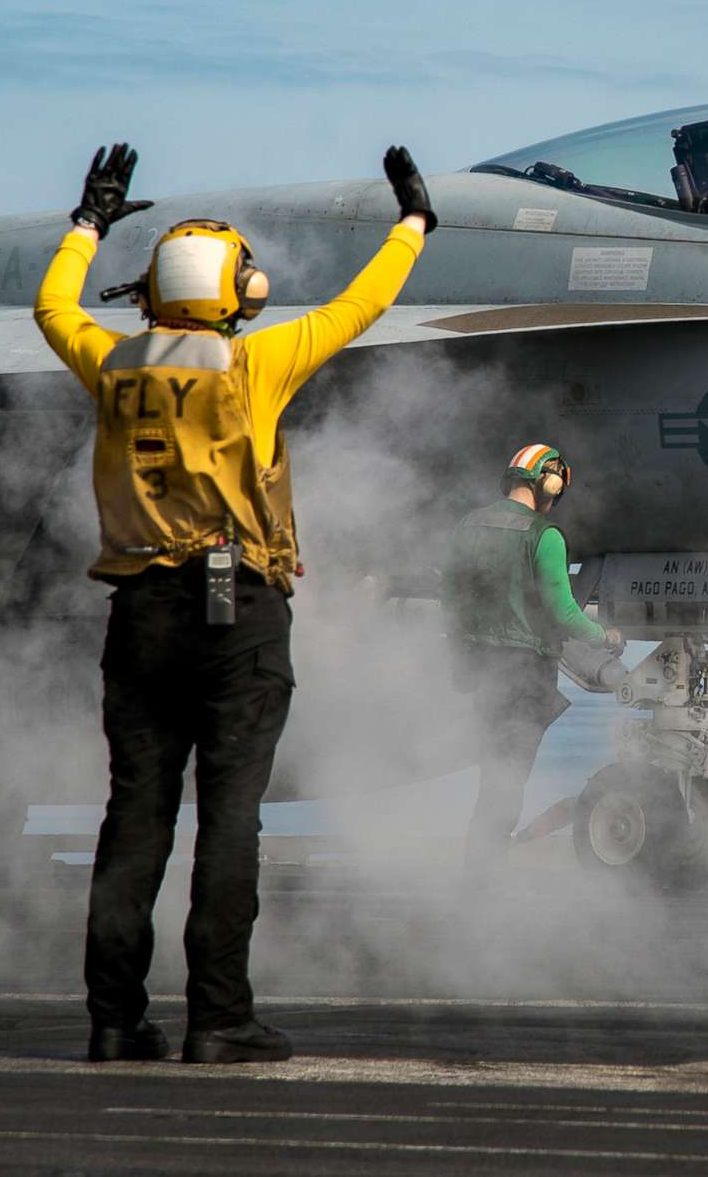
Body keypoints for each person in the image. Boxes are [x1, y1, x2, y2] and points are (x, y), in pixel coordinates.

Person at [35, 141, 436, 1066]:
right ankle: (218, 1020)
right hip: (235, 611)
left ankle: (111, 1019)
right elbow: (361, 304)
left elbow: (52, 306)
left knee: (134, 818)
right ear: (239, 292)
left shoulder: (112, 365)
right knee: (230, 821)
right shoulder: (255, 367)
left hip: (138, 613)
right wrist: (412, 224)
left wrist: (86, 226)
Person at [441, 443, 621, 874]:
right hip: (523, 673)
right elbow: (564, 613)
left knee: (493, 769)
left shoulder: (467, 526)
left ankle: (481, 863)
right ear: (549, 483)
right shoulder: (545, 536)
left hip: (477, 666)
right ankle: (483, 872)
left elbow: (451, 600)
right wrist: (604, 636)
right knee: (507, 778)